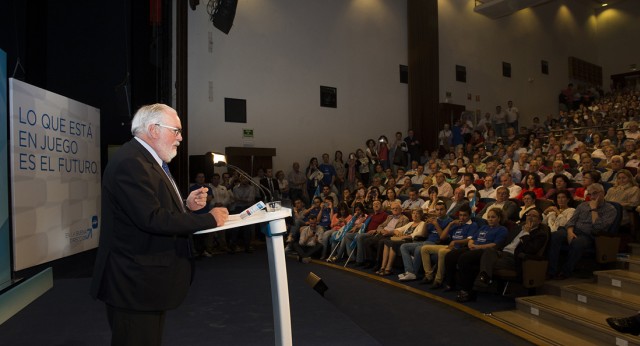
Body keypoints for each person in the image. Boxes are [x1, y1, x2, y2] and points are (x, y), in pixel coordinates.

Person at [90, 104, 229, 345]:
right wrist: (208, 218)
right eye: (176, 130)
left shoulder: (145, 160)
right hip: (133, 285)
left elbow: (147, 210)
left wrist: (185, 206)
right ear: (154, 129)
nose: (180, 138)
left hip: (144, 284)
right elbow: (151, 218)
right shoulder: (131, 163)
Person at [547, 183, 617, 279]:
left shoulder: (610, 209)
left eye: (595, 193)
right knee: (555, 236)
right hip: (573, 229)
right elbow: (571, 221)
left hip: (589, 235)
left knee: (577, 242)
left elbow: (597, 228)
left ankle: (566, 271)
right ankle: (552, 271)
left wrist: (594, 209)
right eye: (590, 194)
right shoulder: (582, 205)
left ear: (603, 193)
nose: (592, 197)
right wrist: (570, 232)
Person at [444, 208, 508, 302]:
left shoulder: (502, 229)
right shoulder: (483, 227)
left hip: (485, 251)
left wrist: (478, 247)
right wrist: (470, 244)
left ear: (499, 218)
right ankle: (450, 283)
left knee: (464, 258)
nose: (490, 219)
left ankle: (467, 291)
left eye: (493, 217)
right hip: (473, 247)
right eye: (489, 217)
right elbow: (472, 238)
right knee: (450, 255)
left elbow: (495, 245)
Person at [477, 209, 549, 290]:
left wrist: (526, 233)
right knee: (489, 251)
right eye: (529, 215)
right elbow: (506, 242)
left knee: (483, 260)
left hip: (514, 258)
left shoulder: (540, 234)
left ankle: (483, 281)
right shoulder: (518, 228)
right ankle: (484, 280)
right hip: (502, 253)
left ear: (539, 221)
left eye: (534, 216)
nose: (530, 217)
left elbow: (530, 250)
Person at [419, 205, 478, 288]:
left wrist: (455, 241)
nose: (462, 217)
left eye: (465, 215)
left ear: (469, 215)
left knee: (442, 252)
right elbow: (442, 237)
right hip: (449, 246)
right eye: (460, 215)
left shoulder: (473, 225)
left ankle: (438, 280)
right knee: (425, 248)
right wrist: (451, 224)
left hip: (459, 249)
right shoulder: (456, 224)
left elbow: (469, 240)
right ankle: (429, 276)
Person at [398, 202, 452, 281]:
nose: (439, 212)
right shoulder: (434, 219)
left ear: (446, 210)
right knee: (404, 246)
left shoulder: (449, 221)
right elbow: (424, 235)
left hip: (437, 243)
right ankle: (409, 271)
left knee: (418, 248)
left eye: (441, 210)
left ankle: (413, 273)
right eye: (437, 210)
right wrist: (425, 225)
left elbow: (442, 238)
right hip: (427, 241)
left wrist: (436, 224)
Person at [376, 209, 426, 276]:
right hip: (403, 239)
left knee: (393, 243)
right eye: (413, 213)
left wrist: (406, 236)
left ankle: (388, 268)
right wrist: (397, 232)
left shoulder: (422, 223)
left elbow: (419, 233)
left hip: (411, 241)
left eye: (417, 213)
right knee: (386, 242)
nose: (415, 215)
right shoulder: (410, 223)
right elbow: (397, 229)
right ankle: (383, 267)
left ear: (421, 215)